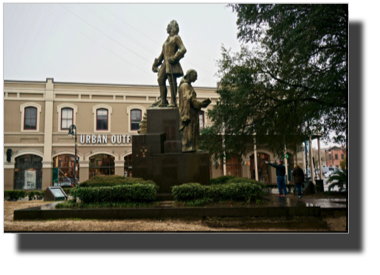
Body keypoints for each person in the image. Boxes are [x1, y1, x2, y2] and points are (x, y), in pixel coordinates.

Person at [152, 20, 187, 107]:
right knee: (160, 79)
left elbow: (183, 49)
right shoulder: (166, 40)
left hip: (172, 63)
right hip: (165, 63)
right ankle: (163, 101)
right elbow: (162, 54)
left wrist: (175, 58)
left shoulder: (176, 38)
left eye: (170, 27)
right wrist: (157, 63)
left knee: (172, 82)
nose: (168, 29)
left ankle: (173, 102)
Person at [178, 69, 211, 152]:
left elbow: (191, 99)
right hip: (189, 114)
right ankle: (189, 147)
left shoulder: (187, 86)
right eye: (195, 76)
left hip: (192, 113)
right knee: (189, 131)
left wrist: (200, 104)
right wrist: (201, 104)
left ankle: (192, 147)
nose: (196, 78)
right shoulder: (185, 86)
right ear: (189, 75)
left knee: (192, 131)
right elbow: (189, 100)